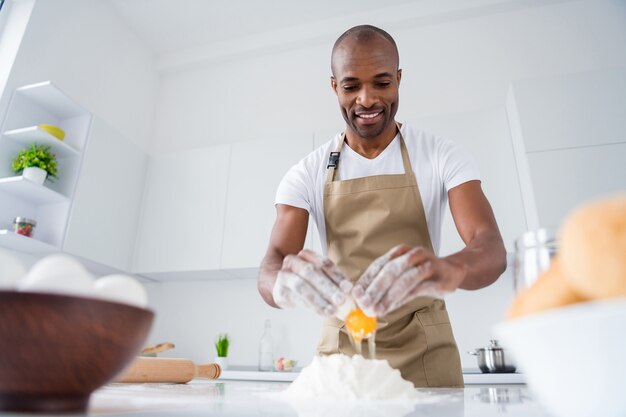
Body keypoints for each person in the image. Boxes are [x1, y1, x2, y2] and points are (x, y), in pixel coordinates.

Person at [258, 24, 506, 387]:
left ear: (399, 79)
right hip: (342, 354)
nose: (367, 99)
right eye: (351, 86)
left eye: (382, 83)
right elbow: (273, 261)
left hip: (425, 350)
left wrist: (449, 269)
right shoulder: (306, 172)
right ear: (334, 87)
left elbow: (491, 248)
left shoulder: (441, 155)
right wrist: (282, 284)